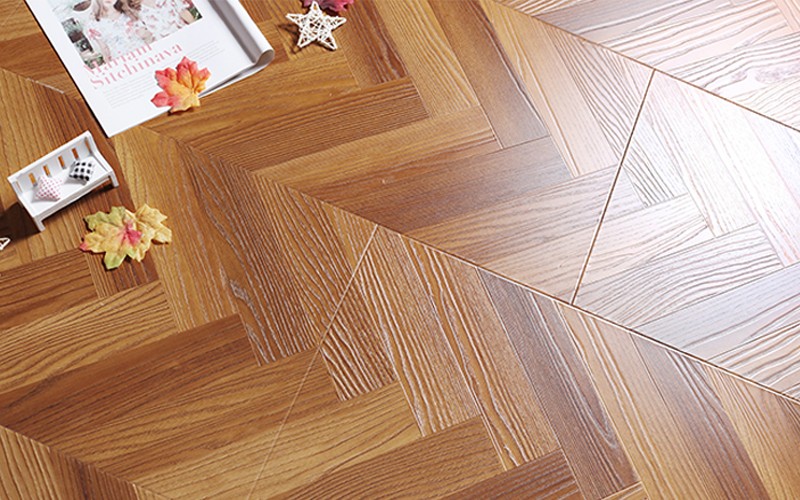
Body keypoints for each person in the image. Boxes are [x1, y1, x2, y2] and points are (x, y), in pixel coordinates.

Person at [79, 0, 153, 63]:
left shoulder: (129, 12)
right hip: (121, 61)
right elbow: (104, 50)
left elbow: (148, 36)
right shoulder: (94, 24)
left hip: (144, 55)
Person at [115, 0, 196, 41]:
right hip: (167, 43)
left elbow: (183, 12)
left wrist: (196, 27)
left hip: (185, 33)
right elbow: (146, 34)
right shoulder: (138, 10)